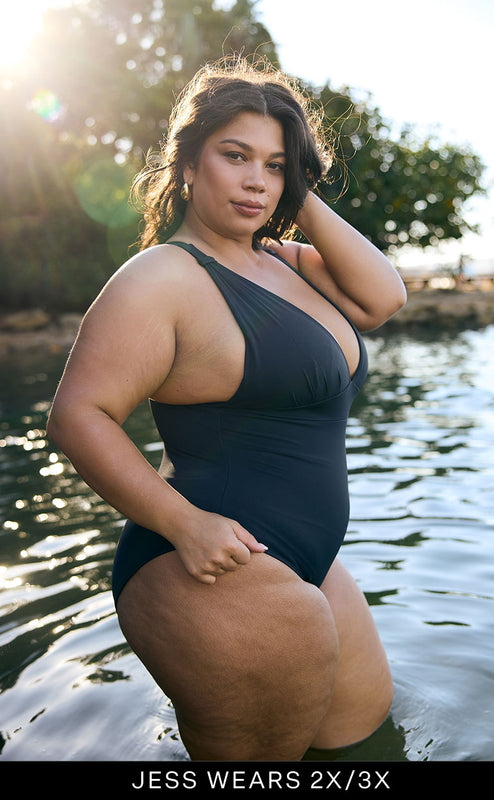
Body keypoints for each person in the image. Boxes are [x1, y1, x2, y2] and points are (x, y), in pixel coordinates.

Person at [47, 58, 407, 762]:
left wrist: (297, 194)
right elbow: (77, 416)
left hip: (309, 562)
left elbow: (382, 299)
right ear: (186, 166)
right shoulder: (160, 277)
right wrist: (185, 525)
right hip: (204, 563)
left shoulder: (288, 261)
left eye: (274, 166)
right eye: (234, 156)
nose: (254, 181)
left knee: (368, 751)